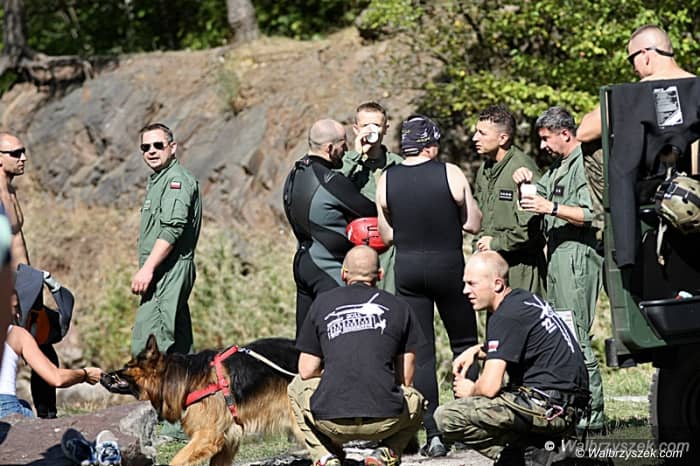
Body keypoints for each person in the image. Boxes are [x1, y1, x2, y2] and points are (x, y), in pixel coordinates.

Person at [376, 114, 482, 456]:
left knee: (420, 353)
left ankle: (434, 434)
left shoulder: (386, 179)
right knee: (464, 342)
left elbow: (386, 236)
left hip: (408, 270)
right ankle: (469, 426)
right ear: (430, 146)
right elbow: (473, 224)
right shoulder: (450, 173)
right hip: (448, 266)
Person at [434, 251, 589, 464]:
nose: (465, 291)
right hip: (569, 406)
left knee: (447, 416)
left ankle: (525, 456)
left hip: (548, 408)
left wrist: (470, 390)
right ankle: (539, 452)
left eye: (472, 284)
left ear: (497, 284)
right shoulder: (524, 300)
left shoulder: (505, 316)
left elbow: (489, 387)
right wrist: (476, 351)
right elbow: (519, 341)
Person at [288, 245, 425, 466]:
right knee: (416, 399)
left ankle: (324, 456)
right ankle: (387, 452)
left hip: (331, 421)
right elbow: (406, 379)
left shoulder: (321, 303)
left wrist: (334, 371)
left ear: (343, 274)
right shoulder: (400, 307)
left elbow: (306, 370)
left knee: (295, 387)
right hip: (385, 421)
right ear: (380, 275)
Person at [513, 107, 604, 432]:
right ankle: (574, 410)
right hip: (557, 256)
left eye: (546, 138)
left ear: (565, 133)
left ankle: (593, 418)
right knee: (565, 334)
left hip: (577, 255)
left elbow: (593, 213)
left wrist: (550, 207)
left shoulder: (584, 163)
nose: (542, 146)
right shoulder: (557, 167)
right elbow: (539, 196)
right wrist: (526, 184)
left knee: (577, 335)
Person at [283, 119, 377, 336]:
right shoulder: (329, 180)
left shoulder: (295, 173)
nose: (346, 150)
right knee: (341, 339)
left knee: (307, 343)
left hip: (303, 265)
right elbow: (370, 211)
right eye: (343, 145)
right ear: (329, 148)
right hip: (328, 268)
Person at [130, 123, 201, 357]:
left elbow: (172, 229)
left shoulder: (175, 182)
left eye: (158, 145)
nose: (151, 151)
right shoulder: (160, 180)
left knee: (149, 345)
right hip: (163, 270)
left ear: (172, 147)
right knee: (179, 347)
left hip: (170, 270)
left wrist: (147, 269)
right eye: (146, 147)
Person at [471, 105, 546, 295]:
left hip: (521, 267)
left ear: (503, 138)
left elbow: (530, 228)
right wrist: (479, 246)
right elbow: (481, 215)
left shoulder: (522, 169)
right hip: (494, 265)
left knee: (521, 312)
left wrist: (495, 243)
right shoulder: (485, 169)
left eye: (482, 133)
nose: (475, 138)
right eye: (476, 132)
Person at [577, 24, 694, 143]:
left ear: (645, 55)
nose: (634, 69)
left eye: (632, 60)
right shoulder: (696, 87)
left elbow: (583, 133)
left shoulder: (633, 94)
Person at [339, 101, 403, 293]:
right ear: (356, 129)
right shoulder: (346, 163)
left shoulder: (398, 165)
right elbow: (331, 188)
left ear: (386, 129)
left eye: (376, 125)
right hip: (356, 248)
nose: (370, 130)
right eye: (365, 125)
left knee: (390, 300)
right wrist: (356, 155)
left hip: (390, 249)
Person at [1, 316, 102, 419]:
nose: (19, 314)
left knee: (24, 404)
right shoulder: (16, 333)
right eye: (16, 308)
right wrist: (85, 374)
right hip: (6, 408)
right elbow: (56, 378)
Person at [0, 132, 29, 269]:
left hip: (24, 276)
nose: (23, 158)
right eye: (16, 154)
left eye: (23, 152)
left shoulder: (10, 190)